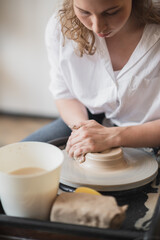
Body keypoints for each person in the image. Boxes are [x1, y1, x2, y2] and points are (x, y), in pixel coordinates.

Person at [23, 0, 160, 160]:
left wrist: (113, 137)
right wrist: (84, 132)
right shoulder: (60, 28)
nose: (97, 27)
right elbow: (64, 95)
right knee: (14, 162)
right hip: (88, 117)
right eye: (84, 12)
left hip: (151, 129)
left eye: (111, 12)